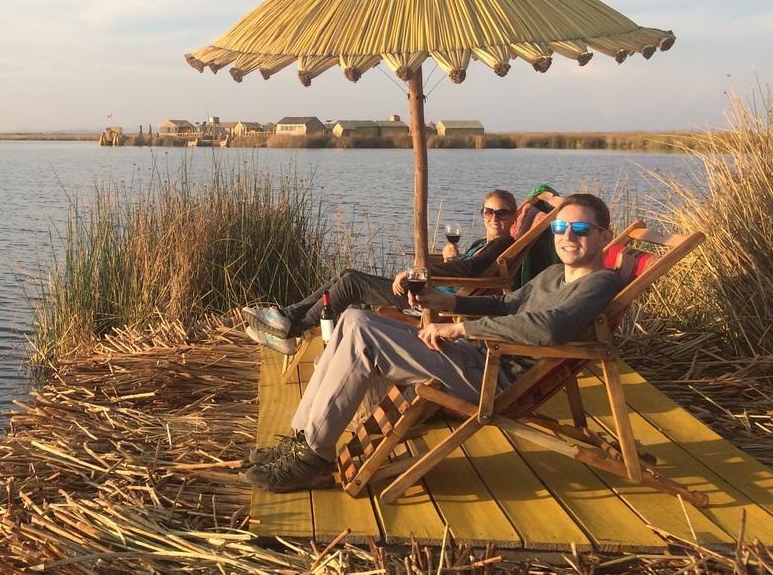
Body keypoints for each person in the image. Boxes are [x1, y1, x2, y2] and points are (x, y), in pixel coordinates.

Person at [245, 193, 621, 493]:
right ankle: (300, 441)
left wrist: (461, 329)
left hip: (494, 376)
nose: (568, 236)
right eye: (560, 226)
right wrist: (449, 303)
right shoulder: (555, 273)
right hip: (477, 357)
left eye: (581, 228)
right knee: (351, 319)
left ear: (604, 235)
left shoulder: (599, 283)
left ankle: (314, 456)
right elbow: (506, 304)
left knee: (361, 334)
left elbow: (549, 329)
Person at [241, 189, 519, 354]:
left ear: (513, 217)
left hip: (431, 297)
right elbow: (467, 265)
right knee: (348, 273)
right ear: (482, 213)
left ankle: (290, 327)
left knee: (351, 282)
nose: (494, 218)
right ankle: (288, 319)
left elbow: (469, 269)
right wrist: (452, 257)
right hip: (433, 287)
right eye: (488, 212)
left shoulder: (504, 244)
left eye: (502, 213)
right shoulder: (484, 243)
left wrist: (413, 272)